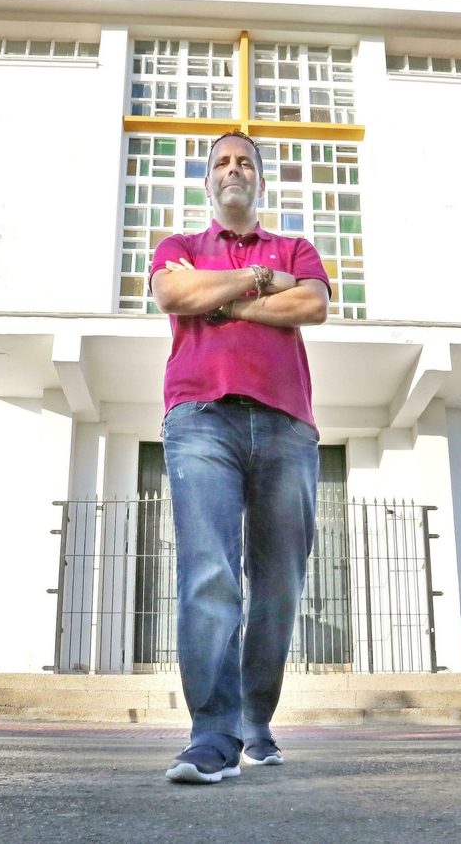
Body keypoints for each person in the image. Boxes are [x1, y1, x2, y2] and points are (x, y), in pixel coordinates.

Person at [149, 129, 330, 784]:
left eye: (245, 162)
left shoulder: (298, 248)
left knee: (279, 582)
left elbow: (312, 303)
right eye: (222, 162)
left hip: (287, 424)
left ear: (259, 178)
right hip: (200, 416)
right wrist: (259, 284)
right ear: (209, 181)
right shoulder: (178, 249)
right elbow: (175, 296)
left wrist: (222, 299)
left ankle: (256, 718)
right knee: (209, 574)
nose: (234, 169)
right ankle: (214, 736)